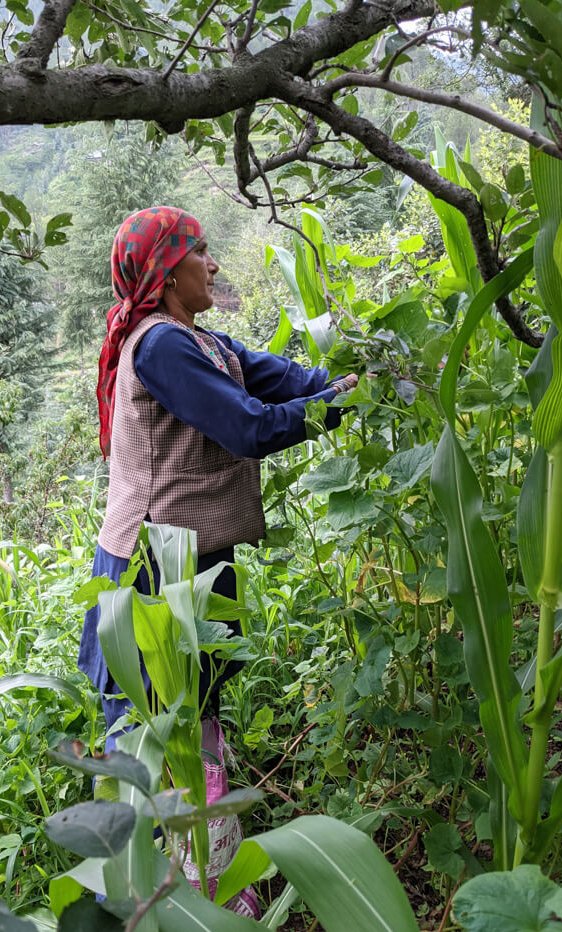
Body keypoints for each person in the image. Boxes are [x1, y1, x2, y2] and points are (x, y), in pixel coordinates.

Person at [77, 205, 358, 746]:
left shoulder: (200, 341)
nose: (214, 265)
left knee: (193, 704)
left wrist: (355, 377)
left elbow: (285, 379)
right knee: (148, 722)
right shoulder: (161, 345)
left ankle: (200, 826)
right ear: (167, 271)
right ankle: (149, 832)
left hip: (189, 553)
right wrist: (344, 401)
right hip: (153, 561)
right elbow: (248, 426)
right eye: (201, 253)